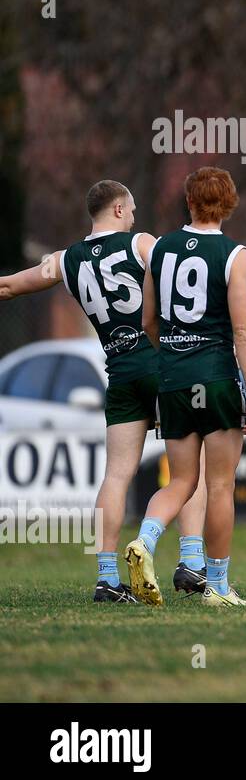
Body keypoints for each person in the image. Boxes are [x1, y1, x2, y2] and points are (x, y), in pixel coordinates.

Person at [0, 180, 209, 603]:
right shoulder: (141, 244)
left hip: (119, 371)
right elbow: (183, 280)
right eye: (130, 209)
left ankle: (106, 577)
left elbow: (8, 286)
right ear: (117, 209)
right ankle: (190, 562)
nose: (134, 216)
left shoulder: (65, 260)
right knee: (190, 466)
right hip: (162, 363)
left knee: (116, 474)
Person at [126, 167, 246, 607]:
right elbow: (243, 331)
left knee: (182, 479)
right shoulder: (233, 253)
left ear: (188, 201)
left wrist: (173, 352)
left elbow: (148, 321)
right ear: (229, 203)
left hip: (173, 379)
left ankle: (145, 542)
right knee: (220, 486)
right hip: (217, 377)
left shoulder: (160, 249)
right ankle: (218, 588)